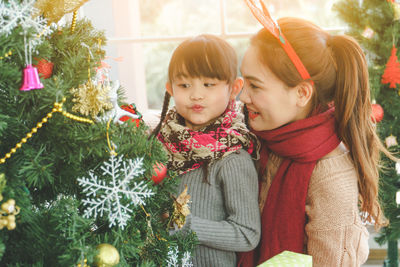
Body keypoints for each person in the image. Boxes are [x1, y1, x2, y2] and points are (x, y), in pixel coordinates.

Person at [237, 16, 393, 267]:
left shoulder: (329, 174)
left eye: (255, 85)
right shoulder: (261, 136)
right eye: (244, 81)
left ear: (301, 93)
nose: (243, 96)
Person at [151, 34, 261, 267]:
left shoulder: (232, 157)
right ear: (170, 89)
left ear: (234, 89)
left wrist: (184, 225)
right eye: (184, 85)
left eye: (209, 84)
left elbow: (247, 234)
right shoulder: (159, 143)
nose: (196, 94)